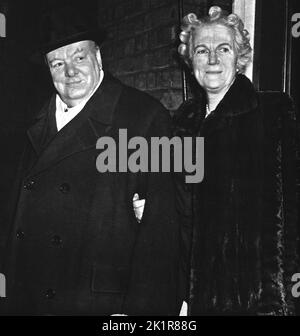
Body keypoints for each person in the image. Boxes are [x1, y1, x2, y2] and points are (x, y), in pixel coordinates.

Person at [0, 6, 180, 315]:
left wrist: (141, 313)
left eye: (79, 57)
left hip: (99, 302)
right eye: (58, 63)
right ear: (48, 70)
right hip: (27, 296)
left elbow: (162, 230)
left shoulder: (143, 117)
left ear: (98, 58)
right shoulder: (27, 124)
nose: (70, 71)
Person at [175, 6, 299, 315]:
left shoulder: (273, 113)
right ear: (191, 62)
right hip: (197, 299)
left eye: (224, 48)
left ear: (239, 56)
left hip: (258, 301)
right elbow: (175, 204)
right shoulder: (183, 122)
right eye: (202, 50)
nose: (213, 59)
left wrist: (285, 302)